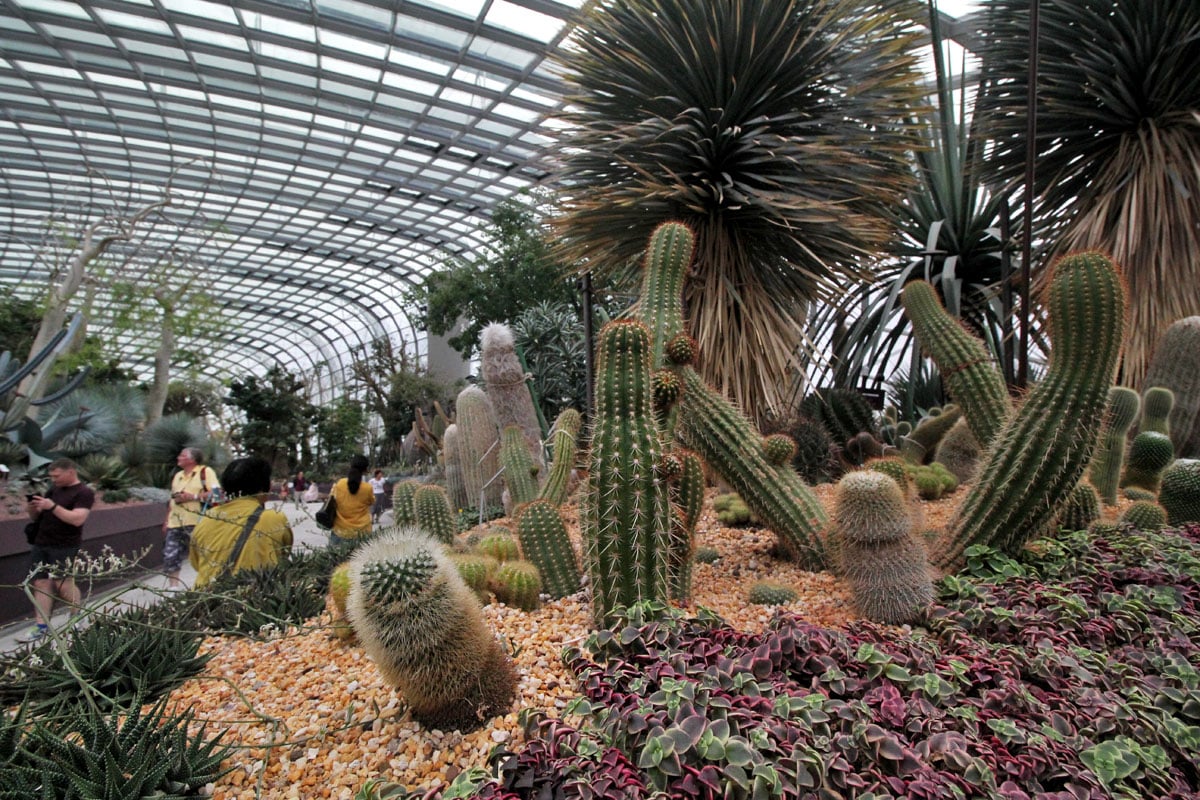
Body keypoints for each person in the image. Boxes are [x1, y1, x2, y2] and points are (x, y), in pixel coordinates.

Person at [19, 458, 94, 643]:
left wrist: (52, 506)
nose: (54, 480)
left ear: (70, 471)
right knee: (40, 583)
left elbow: (77, 519)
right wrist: (33, 508)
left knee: (63, 583)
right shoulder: (53, 490)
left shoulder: (84, 492)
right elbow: (38, 516)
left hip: (65, 544)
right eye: (51, 476)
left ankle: (77, 615)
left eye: (57, 476)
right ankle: (41, 625)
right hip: (42, 542)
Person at [189, 457, 294, 588]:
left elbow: (196, 562)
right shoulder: (274, 518)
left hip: (206, 600)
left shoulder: (206, 518)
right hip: (255, 599)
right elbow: (283, 555)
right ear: (264, 487)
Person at [163, 447, 221, 589]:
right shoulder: (178, 476)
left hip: (198, 522)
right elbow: (172, 500)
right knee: (170, 556)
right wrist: (166, 520)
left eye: (182, 455)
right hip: (175, 522)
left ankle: (206, 585)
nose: (178, 458)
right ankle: (173, 588)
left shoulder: (205, 472)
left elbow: (217, 494)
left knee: (203, 556)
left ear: (192, 459)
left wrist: (192, 497)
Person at [329, 454, 374, 545]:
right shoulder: (367, 488)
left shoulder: (340, 484)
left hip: (340, 532)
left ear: (351, 466)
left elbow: (332, 498)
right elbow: (371, 501)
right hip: (362, 533)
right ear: (365, 470)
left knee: (337, 559)